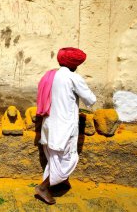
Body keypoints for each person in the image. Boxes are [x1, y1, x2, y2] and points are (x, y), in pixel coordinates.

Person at [35, 47, 96, 204]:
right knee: (67, 159)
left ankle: (61, 182)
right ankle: (43, 187)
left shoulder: (50, 75)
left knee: (54, 157)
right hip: (64, 127)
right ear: (75, 65)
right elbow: (91, 100)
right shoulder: (73, 77)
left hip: (48, 124)